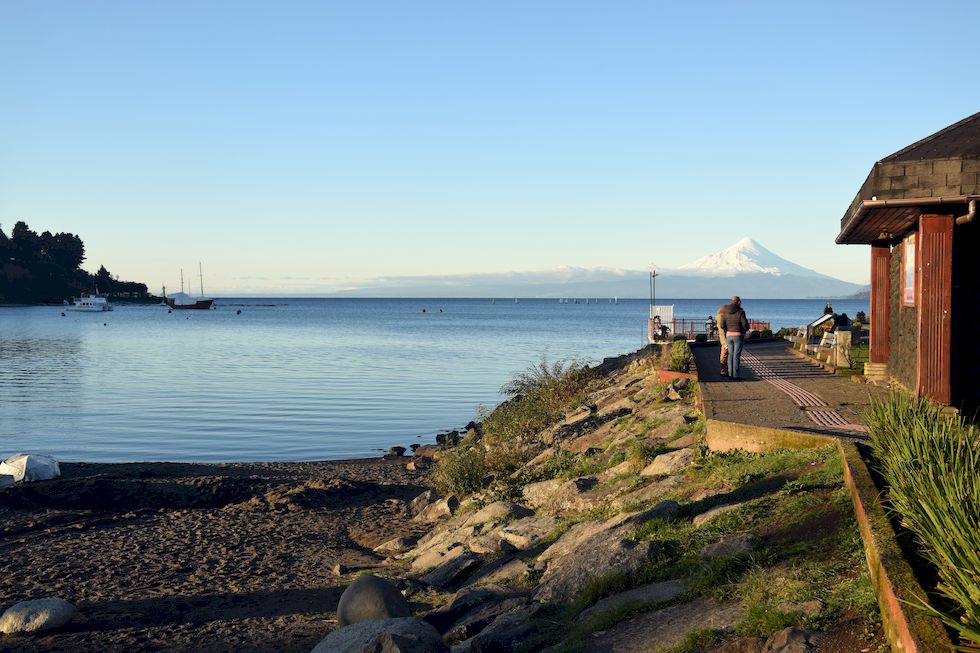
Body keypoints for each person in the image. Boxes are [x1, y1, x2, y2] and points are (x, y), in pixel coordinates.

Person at [718, 296, 750, 380]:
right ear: (738, 302)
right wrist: (745, 329)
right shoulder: (741, 312)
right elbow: (745, 324)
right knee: (736, 355)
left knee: (730, 355)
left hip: (728, 335)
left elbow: (721, 325)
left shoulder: (725, 312)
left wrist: (727, 329)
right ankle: (736, 376)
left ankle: (730, 375)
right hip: (738, 335)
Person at [716, 305, 728, 376]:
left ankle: (724, 370)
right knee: (724, 354)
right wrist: (725, 342)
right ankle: (723, 370)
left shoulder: (719, 317)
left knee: (724, 355)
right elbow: (722, 331)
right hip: (725, 340)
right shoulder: (721, 318)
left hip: (724, 340)